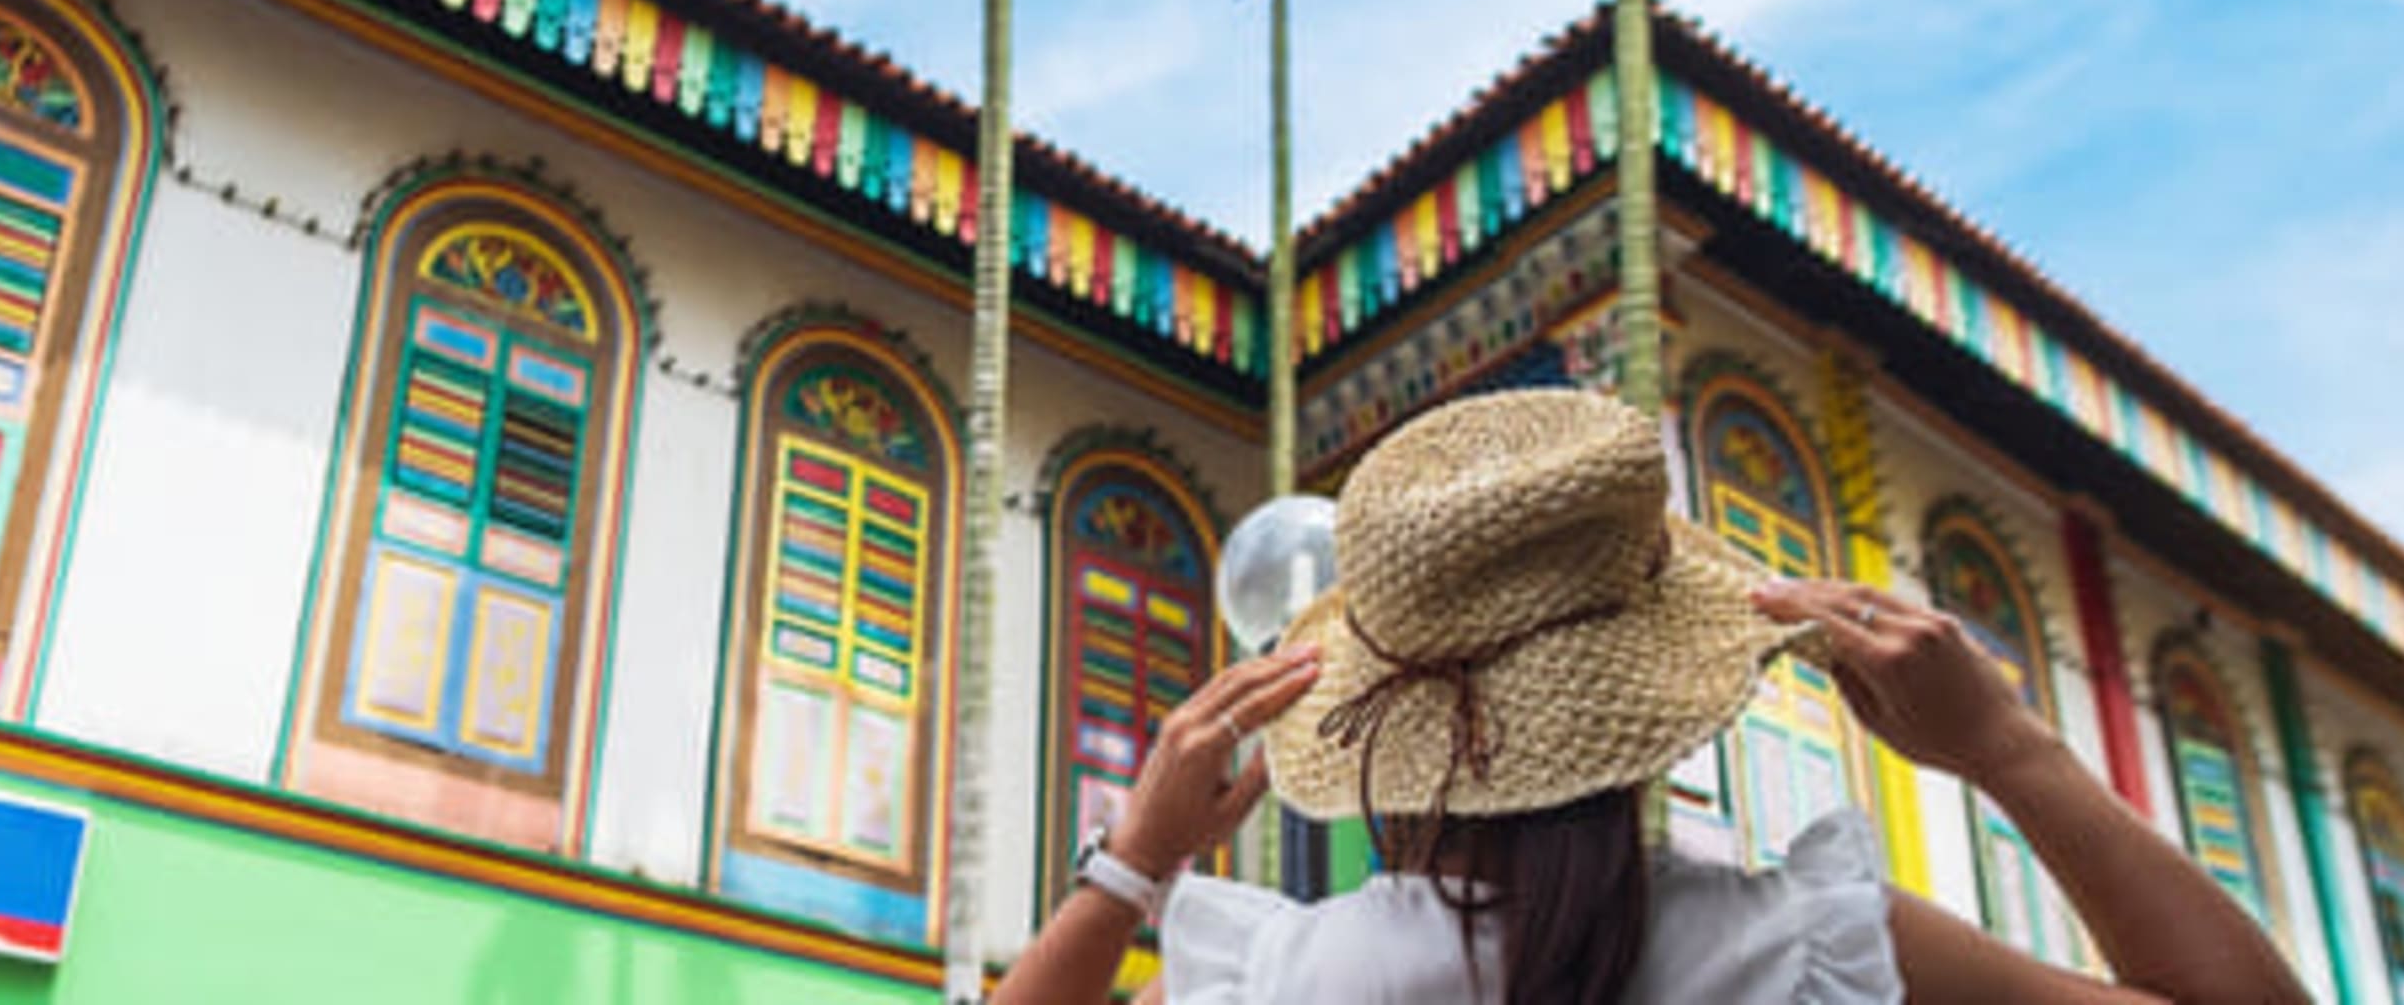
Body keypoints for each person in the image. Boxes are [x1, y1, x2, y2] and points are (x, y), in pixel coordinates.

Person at [991, 389, 2313, 1004]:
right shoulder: (1815, 952)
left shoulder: (1282, 982)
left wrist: (1136, 865)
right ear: (1645, 702)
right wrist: (2012, 749)